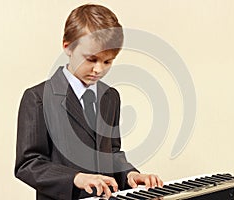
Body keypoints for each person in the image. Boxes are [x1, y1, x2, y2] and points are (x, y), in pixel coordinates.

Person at [15, 4, 163, 200]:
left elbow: (112, 152)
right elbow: (28, 164)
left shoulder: (110, 97)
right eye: (91, 59)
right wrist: (75, 178)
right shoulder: (38, 98)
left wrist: (130, 174)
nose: (98, 70)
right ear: (67, 47)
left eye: (107, 61)